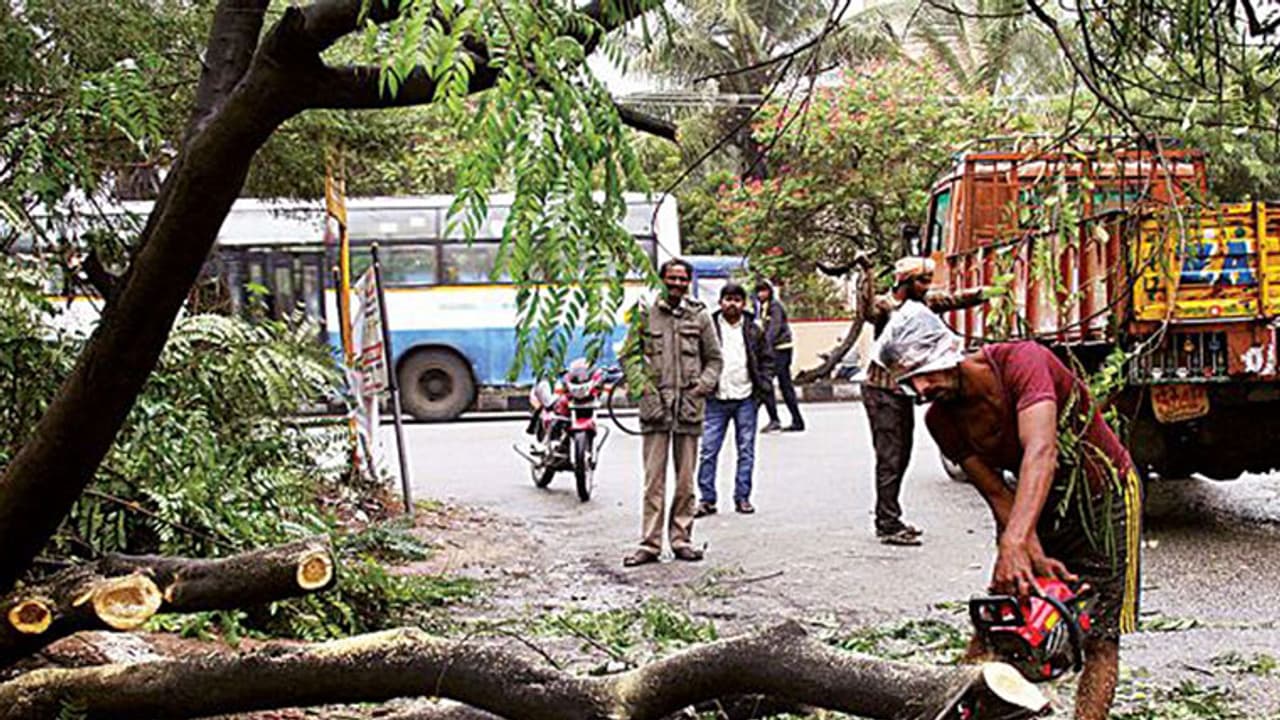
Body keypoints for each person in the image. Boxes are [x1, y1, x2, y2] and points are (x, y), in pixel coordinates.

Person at [877, 302, 1142, 720]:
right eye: (912, 383)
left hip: (1102, 494)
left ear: (948, 352)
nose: (922, 389)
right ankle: (953, 708)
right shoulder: (940, 421)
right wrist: (1024, 549)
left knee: (1100, 635)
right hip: (1034, 502)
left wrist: (1016, 540)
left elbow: (1042, 451)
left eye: (925, 373)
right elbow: (998, 494)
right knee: (999, 617)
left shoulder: (1023, 361)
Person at [860, 254, 991, 545]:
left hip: (902, 391)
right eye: (921, 281)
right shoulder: (887, 307)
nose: (927, 287)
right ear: (905, 281)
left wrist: (987, 293)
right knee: (890, 457)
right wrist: (866, 273)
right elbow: (867, 311)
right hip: (881, 391)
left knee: (901, 454)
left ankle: (890, 517)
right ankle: (887, 523)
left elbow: (953, 300)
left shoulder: (924, 305)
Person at [622, 258, 723, 567]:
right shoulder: (643, 314)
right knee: (653, 482)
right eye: (672, 278)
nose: (677, 284)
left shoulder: (700, 317)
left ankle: (681, 540)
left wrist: (700, 388)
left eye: (682, 279)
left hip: (689, 410)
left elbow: (715, 360)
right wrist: (645, 389)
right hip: (654, 410)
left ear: (688, 282)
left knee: (684, 483)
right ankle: (649, 545)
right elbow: (629, 357)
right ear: (662, 280)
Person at [694, 283, 774, 518]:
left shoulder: (754, 330)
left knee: (746, 451)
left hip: (746, 398)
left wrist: (764, 385)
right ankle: (707, 499)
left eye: (737, 300)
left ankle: (743, 498)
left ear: (743, 304)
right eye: (728, 299)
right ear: (720, 302)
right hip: (716, 398)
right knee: (708, 450)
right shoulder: (708, 327)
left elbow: (767, 360)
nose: (732, 304)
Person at [754, 280, 804, 433]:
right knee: (785, 385)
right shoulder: (763, 307)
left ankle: (774, 420)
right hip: (776, 349)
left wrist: (764, 347)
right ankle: (797, 421)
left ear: (770, 292)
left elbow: (774, 329)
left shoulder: (775, 306)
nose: (761, 294)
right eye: (759, 291)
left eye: (764, 291)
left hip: (780, 350)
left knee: (766, 383)